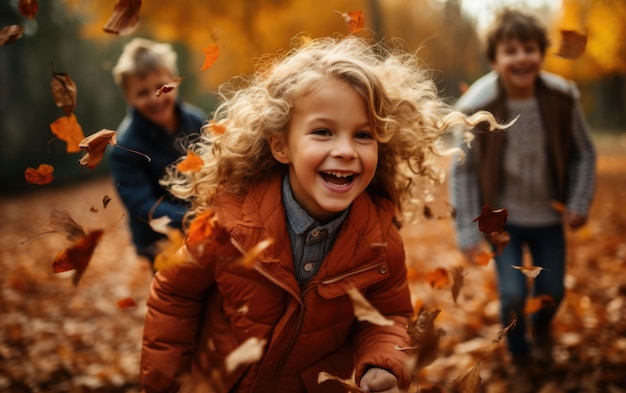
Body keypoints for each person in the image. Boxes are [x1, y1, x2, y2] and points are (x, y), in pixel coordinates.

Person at [140, 35, 500, 393]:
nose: (344, 150)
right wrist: (165, 383)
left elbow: (388, 316)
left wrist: (382, 363)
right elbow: (175, 295)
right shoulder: (229, 227)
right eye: (323, 132)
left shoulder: (379, 242)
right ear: (281, 145)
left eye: (363, 135)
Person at [449, 8, 596, 391]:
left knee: (552, 292)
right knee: (513, 294)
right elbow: (462, 172)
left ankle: (542, 330)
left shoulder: (563, 98)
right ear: (494, 58)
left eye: (529, 48)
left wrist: (579, 201)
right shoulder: (476, 108)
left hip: (548, 218)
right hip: (504, 221)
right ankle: (519, 354)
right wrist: (466, 232)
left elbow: (583, 152)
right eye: (509, 50)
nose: (520, 57)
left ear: (541, 52)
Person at [109, 38, 206, 265]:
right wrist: (195, 217)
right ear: (128, 97)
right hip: (159, 242)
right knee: (175, 296)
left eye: (162, 87)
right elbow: (143, 205)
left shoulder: (196, 121)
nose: (155, 98)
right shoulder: (125, 146)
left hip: (204, 228)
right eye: (142, 93)